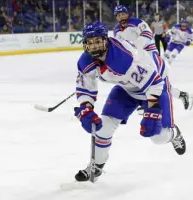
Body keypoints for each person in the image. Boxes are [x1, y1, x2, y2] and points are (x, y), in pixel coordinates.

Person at [74, 21, 187, 182]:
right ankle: (97, 165)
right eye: (90, 43)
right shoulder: (86, 60)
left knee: (158, 137)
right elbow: (85, 86)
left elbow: (154, 83)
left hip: (156, 85)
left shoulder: (123, 58)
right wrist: (86, 107)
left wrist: (153, 109)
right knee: (101, 127)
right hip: (127, 89)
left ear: (106, 40)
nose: (94, 46)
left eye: (97, 41)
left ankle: (174, 134)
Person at [113, 5, 193, 111]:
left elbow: (147, 33)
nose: (122, 16)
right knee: (150, 81)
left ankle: (155, 100)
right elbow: (119, 45)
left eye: (123, 14)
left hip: (149, 52)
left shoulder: (136, 22)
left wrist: (139, 47)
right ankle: (181, 95)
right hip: (135, 57)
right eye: (119, 15)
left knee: (154, 80)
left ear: (127, 14)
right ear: (116, 18)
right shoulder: (116, 30)